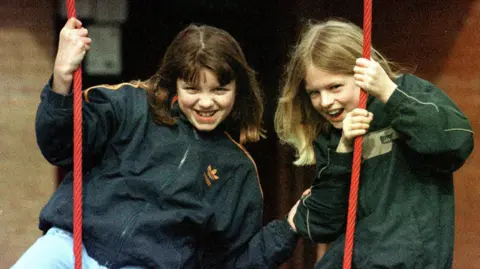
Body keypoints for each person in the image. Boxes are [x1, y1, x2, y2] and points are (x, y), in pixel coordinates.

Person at [12, 18, 300, 269]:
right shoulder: (128, 105)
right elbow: (58, 145)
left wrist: (287, 230)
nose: (206, 102)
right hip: (68, 246)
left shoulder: (238, 171)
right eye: (192, 89)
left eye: (220, 90)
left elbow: (233, 262)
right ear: (175, 82)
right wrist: (62, 76)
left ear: (239, 89)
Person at [275, 18, 474, 268]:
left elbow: (456, 142)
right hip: (356, 260)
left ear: (364, 73)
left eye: (335, 87)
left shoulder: (406, 92)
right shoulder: (332, 135)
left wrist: (390, 94)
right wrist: (344, 150)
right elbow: (321, 224)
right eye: (314, 92)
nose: (324, 101)